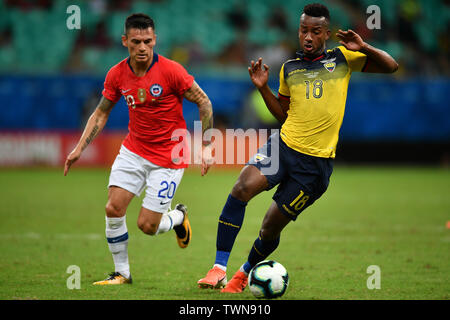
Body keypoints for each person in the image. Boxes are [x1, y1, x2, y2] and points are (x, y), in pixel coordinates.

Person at [197, 3, 398, 293]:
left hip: (314, 167)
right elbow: (283, 115)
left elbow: (392, 67)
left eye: (315, 31)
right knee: (241, 188)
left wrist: (364, 46)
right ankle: (218, 269)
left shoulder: (343, 58)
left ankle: (244, 273)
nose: (308, 36)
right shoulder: (290, 68)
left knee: (269, 227)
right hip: (284, 145)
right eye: (304, 30)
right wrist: (263, 88)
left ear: (326, 34)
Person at [64, 13, 213, 285]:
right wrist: (79, 148)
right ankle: (122, 272)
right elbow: (100, 114)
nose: (142, 47)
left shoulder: (171, 71)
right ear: (125, 41)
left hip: (169, 157)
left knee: (147, 227)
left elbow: (204, 102)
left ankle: (178, 218)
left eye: (147, 41)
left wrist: (206, 146)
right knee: (113, 208)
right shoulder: (117, 74)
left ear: (155, 39)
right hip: (133, 151)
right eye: (136, 42)